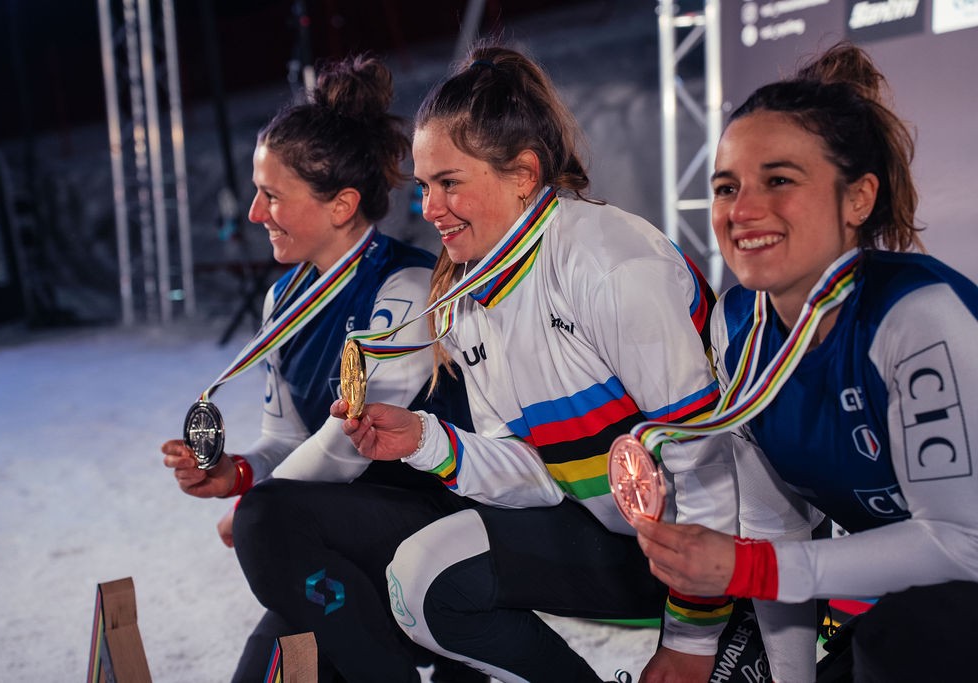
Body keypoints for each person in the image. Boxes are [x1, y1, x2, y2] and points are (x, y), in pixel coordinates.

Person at [332, 45, 750, 683]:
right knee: (420, 583)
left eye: (449, 183)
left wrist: (691, 638)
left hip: (731, 545)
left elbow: (707, 465)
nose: (429, 209)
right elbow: (537, 473)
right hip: (629, 543)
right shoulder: (464, 300)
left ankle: (750, 628)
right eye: (423, 186)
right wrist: (424, 440)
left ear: (523, 173)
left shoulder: (610, 264)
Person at [633, 42, 978, 682]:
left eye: (780, 181)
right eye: (727, 187)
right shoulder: (739, 327)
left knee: (901, 639)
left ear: (858, 199)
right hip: (917, 605)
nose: (742, 211)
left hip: (945, 600)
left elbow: (964, 544)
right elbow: (776, 527)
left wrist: (748, 566)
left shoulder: (915, 316)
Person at [161, 55, 483, 683]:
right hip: (334, 531)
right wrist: (236, 473)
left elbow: (348, 443)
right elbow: (286, 439)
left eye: (271, 196)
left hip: (438, 527)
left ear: (341, 206)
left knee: (269, 530)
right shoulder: (282, 300)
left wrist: (260, 508)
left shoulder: (407, 287)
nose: (255, 214)